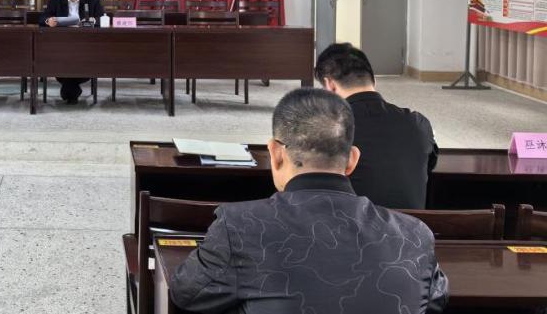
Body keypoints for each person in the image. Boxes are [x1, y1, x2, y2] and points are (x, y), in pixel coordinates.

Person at [171, 88, 448, 313]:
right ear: (352, 160)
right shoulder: (415, 235)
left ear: (275, 154)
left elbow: (186, 292)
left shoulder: (239, 227)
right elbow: (434, 301)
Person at [315, 42, 438, 209]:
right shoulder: (418, 124)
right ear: (373, 80)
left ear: (330, 85)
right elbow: (428, 166)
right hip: (411, 224)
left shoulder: (325, 129)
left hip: (350, 224)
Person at [39, 0, 105, 103]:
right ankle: (72, 91)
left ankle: (69, 91)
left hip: (86, 46)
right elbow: (42, 18)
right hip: (61, 45)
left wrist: (93, 20)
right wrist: (48, 21)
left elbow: (103, 19)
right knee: (63, 61)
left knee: (74, 63)